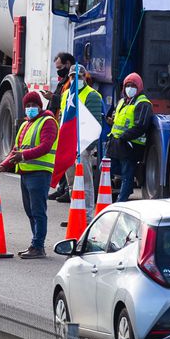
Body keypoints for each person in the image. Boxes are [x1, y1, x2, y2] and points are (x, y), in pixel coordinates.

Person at [0, 91, 58, 259]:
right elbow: (16, 149)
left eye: (33, 105)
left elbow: (46, 145)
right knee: (30, 211)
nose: (30, 109)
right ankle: (35, 244)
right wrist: (3, 166)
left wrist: (24, 155)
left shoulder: (48, 122)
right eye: (27, 106)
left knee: (38, 211)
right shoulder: (25, 125)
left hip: (40, 173)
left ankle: (38, 246)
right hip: (26, 173)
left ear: (40, 106)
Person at [57, 64, 104, 221]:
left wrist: (87, 148)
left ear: (85, 78)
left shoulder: (93, 96)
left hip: (83, 147)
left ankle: (88, 218)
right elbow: (62, 119)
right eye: (72, 77)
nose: (76, 79)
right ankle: (75, 216)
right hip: (68, 145)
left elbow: (96, 125)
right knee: (72, 184)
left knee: (85, 184)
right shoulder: (66, 95)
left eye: (79, 77)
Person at [106, 73, 153, 203]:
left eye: (133, 86)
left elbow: (141, 126)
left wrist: (124, 137)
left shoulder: (143, 103)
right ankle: (122, 191)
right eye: (127, 85)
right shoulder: (122, 101)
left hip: (130, 145)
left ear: (139, 87)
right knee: (105, 168)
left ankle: (122, 199)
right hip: (116, 143)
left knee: (127, 174)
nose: (129, 88)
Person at [45, 53, 75, 201]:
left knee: (64, 157)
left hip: (66, 124)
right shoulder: (63, 81)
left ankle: (65, 189)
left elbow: (66, 101)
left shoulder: (70, 82)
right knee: (59, 156)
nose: (58, 70)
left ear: (68, 64)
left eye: (61, 67)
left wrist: (53, 98)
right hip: (59, 121)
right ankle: (61, 187)